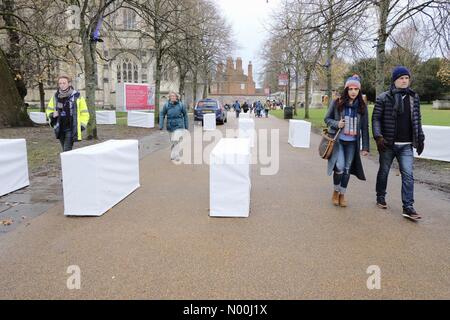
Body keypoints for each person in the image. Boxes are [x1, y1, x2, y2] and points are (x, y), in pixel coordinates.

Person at [372, 66, 425, 221]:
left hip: (406, 145)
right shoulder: (383, 97)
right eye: (401, 78)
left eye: (406, 78)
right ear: (394, 80)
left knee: (408, 175)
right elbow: (375, 118)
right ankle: (380, 196)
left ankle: (408, 207)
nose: (404, 81)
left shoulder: (414, 97)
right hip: (388, 143)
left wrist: (420, 137)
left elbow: (417, 119)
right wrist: (378, 136)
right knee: (384, 171)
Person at [324, 75, 370, 207]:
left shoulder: (362, 106)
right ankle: (335, 191)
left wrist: (365, 147)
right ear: (346, 89)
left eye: (356, 89)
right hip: (338, 141)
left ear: (359, 91)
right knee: (339, 167)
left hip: (352, 143)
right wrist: (337, 123)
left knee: (347, 169)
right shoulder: (337, 102)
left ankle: (342, 194)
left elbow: (365, 128)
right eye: (350, 89)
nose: (353, 92)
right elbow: (327, 119)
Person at [46, 75, 89, 152]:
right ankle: (70, 163)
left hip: (70, 128)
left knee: (67, 150)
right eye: (60, 83)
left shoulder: (77, 96)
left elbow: (85, 113)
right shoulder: (55, 96)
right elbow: (49, 110)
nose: (62, 85)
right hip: (60, 128)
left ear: (69, 84)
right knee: (65, 150)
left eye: (64, 83)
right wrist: (52, 114)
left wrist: (81, 126)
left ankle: (68, 163)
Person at [159, 92, 189, 161]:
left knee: (176, 140)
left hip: (179, 125)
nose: (172, 97)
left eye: (174, 96)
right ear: (169, 97)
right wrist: (161, 125)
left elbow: (185, 115)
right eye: (171, 96)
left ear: (177, 97)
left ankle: (176, 155)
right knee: (173, 141)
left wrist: (186, 126)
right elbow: (162, 114)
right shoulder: (166, 105)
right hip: (170, 126)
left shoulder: (181, 105)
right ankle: (173, 155)